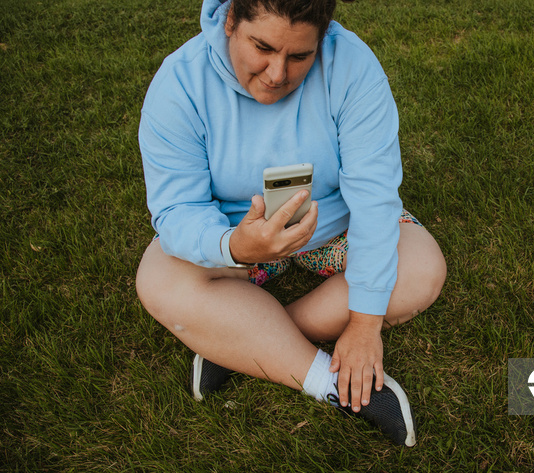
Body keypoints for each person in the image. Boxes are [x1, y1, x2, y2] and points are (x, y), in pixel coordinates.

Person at [135, 0, 446, 447]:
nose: (277, 73)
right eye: (262, 47)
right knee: (159, 278)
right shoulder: (179, 83)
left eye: (300, 56)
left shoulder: (353, 65)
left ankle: (238, 341)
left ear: (322, 38)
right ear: (229, 21)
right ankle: (328, 384)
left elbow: (375, 198)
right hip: (236, 238)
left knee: (421, 267)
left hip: (333, 227)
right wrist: (236, 246)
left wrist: (364, 325)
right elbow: (177, 210)